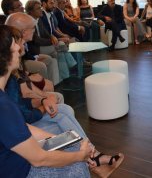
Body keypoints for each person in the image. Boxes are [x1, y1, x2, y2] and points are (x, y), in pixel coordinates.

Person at [5, 25, 125, 177]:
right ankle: (94, 157)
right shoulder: (5, 95)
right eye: (17, 44)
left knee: (64, 110)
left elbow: (20, 110)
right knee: (74, 153)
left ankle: (93, 155)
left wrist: (44, 100)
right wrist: (43, 105)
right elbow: (24, 119)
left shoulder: (9, 85)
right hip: (21, 156)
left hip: (26, 127)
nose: (21, 48)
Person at [0, 24, 92, 177]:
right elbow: (38, 159)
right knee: (77, 167)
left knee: (74, 146)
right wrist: (79, 156)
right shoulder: (4, 106)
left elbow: (22, 128)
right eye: (14, 44)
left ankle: (89, 153)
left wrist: (65, 140)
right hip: (19, 170)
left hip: (17, 158)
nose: (19, 49)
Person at [25, 0, 76, 82]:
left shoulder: (39, 20)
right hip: (36, 49)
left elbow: (46, 34)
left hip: (43, 46)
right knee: (61, 45)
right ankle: (72, 65)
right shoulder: (28, 22)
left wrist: (54, 38)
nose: (41, 9)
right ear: (30, 12)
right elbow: (36, 41)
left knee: (57, 57)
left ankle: (60, 81)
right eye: (38, 8)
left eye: (40, 7)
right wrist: (54, 41)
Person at [5, 12, 61, 85]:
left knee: (49, 59)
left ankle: (53, 84)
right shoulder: (12, 47)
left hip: (25, 65)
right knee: (41, 67)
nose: (34, 31)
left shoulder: (19, 41)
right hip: (18, 82)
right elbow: (16, 75)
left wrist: (35, 57)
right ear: (24, 32)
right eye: (33, 28)